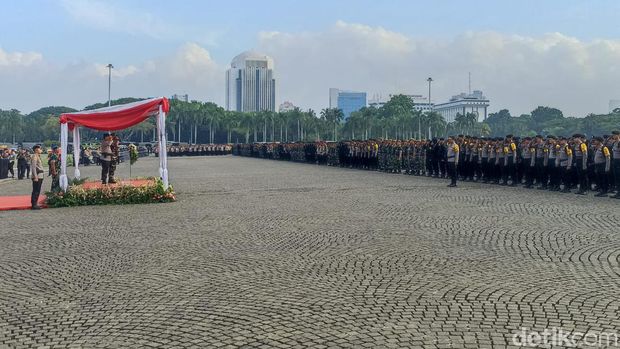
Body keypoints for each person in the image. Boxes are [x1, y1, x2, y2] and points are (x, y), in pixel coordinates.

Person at [30, 145, 44, 210]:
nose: (41, 150)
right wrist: (35, 176)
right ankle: (34, 204)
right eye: (40, 148)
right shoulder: (34, 156)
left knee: (38, 190)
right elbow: (33, 167)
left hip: (40, 175)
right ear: (36, 149)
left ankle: (35, 203)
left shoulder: (38, 156)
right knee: (36, 190)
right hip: (37, 175)